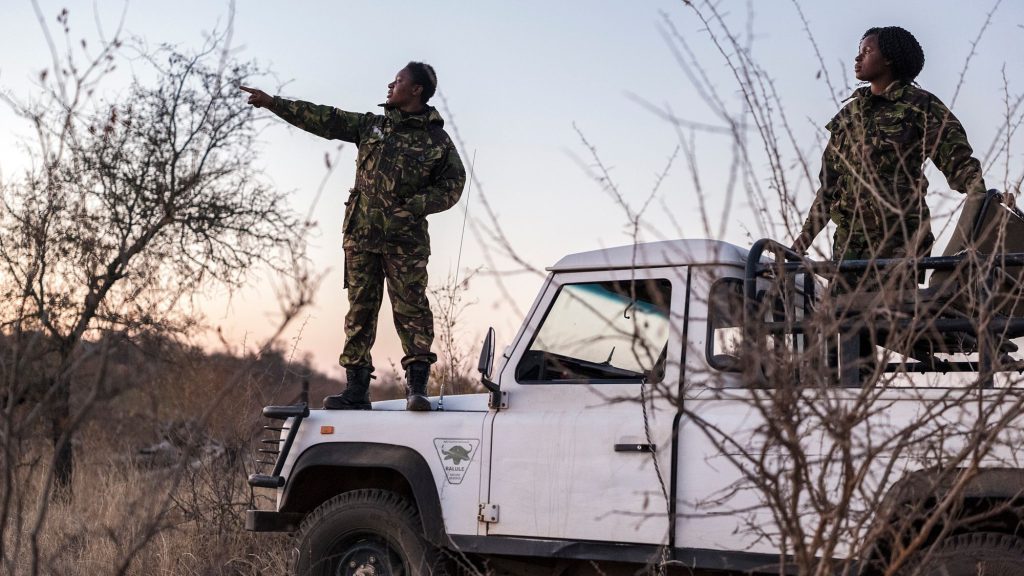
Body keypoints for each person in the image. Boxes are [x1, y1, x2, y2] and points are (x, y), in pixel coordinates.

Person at [241, 62, 466, 411]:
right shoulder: (371, 125)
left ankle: (416, 389)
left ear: (417, 90)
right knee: (359, 313)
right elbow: (326, 119)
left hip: (406, 243)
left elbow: (454, 184)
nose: (391, 84)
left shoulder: (436, 140)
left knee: (412, 311)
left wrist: (415, 206)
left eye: (400, 80)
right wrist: (274, 104)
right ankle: (356, 390)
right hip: (361, 238)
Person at [793, 26, 988, 289]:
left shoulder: (920, 105)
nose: (858, 58)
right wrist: (800, 245)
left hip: (898, 249)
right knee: (847, 327)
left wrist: (987, 203)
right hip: (848, 251)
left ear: (889, 59)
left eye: (867, 51)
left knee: (892, 327)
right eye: (858, 52)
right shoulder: (847, 117)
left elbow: (959, 163)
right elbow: (828, 190)